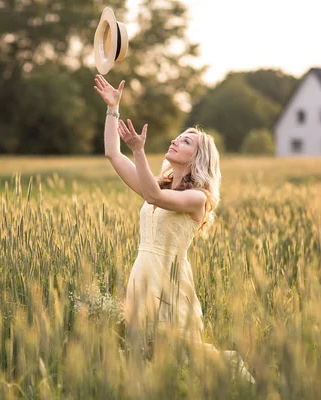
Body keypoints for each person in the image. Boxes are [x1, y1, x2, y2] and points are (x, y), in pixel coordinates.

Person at [94, 74, 255, 384]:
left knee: (183, 354)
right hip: (142, 275)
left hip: (169, 280)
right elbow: (113, 155)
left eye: (186, 141)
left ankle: (239, 381)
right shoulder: (157, 184)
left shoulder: (198, 199)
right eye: (178, 136)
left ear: (197, 157)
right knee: (148, 354)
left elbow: (154, 197)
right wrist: (113, 108)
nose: (175, 141)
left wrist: (139, 151)